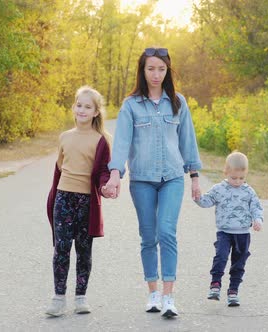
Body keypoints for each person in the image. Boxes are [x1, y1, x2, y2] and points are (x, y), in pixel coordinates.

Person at [103, 47, 202, 318]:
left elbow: (188, 143)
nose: (156, 74)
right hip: (142, 180)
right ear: (142, 71)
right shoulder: (131, 105)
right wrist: (114, 174)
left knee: (166, 232)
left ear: (167, 70)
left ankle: (169, 297)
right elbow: (121, 142)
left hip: (172, 177)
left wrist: (194, 178)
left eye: (161, 69)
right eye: (151, 69)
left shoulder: (178, 102)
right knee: (148, 237)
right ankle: (153, 293)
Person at [44, 86, 112, 316]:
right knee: (61, 248)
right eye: (79, 105)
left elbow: (103, 169)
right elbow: (60, 166)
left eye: (88, 106)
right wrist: (55, 197)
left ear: (95, 112)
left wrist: (106, 186)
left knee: (84, 251)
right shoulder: (64, 136)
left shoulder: (101, 140)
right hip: (63, 198)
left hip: (86, 202)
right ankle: (58, 298)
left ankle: (81, 297)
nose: (82, 110)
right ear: (73, 107)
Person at [193, 151, 263, 307]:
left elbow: (256, 207)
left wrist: (257, 220)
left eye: (241, 178)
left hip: (243, 234)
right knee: (221, 257)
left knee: (239, 263)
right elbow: (207, 201)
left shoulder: (248, 191)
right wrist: (198, 197)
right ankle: (215, 285)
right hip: (224, 232)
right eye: (233, 178)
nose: (237, 181)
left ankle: (233, 291)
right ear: (226, 172)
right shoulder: (219, 189)